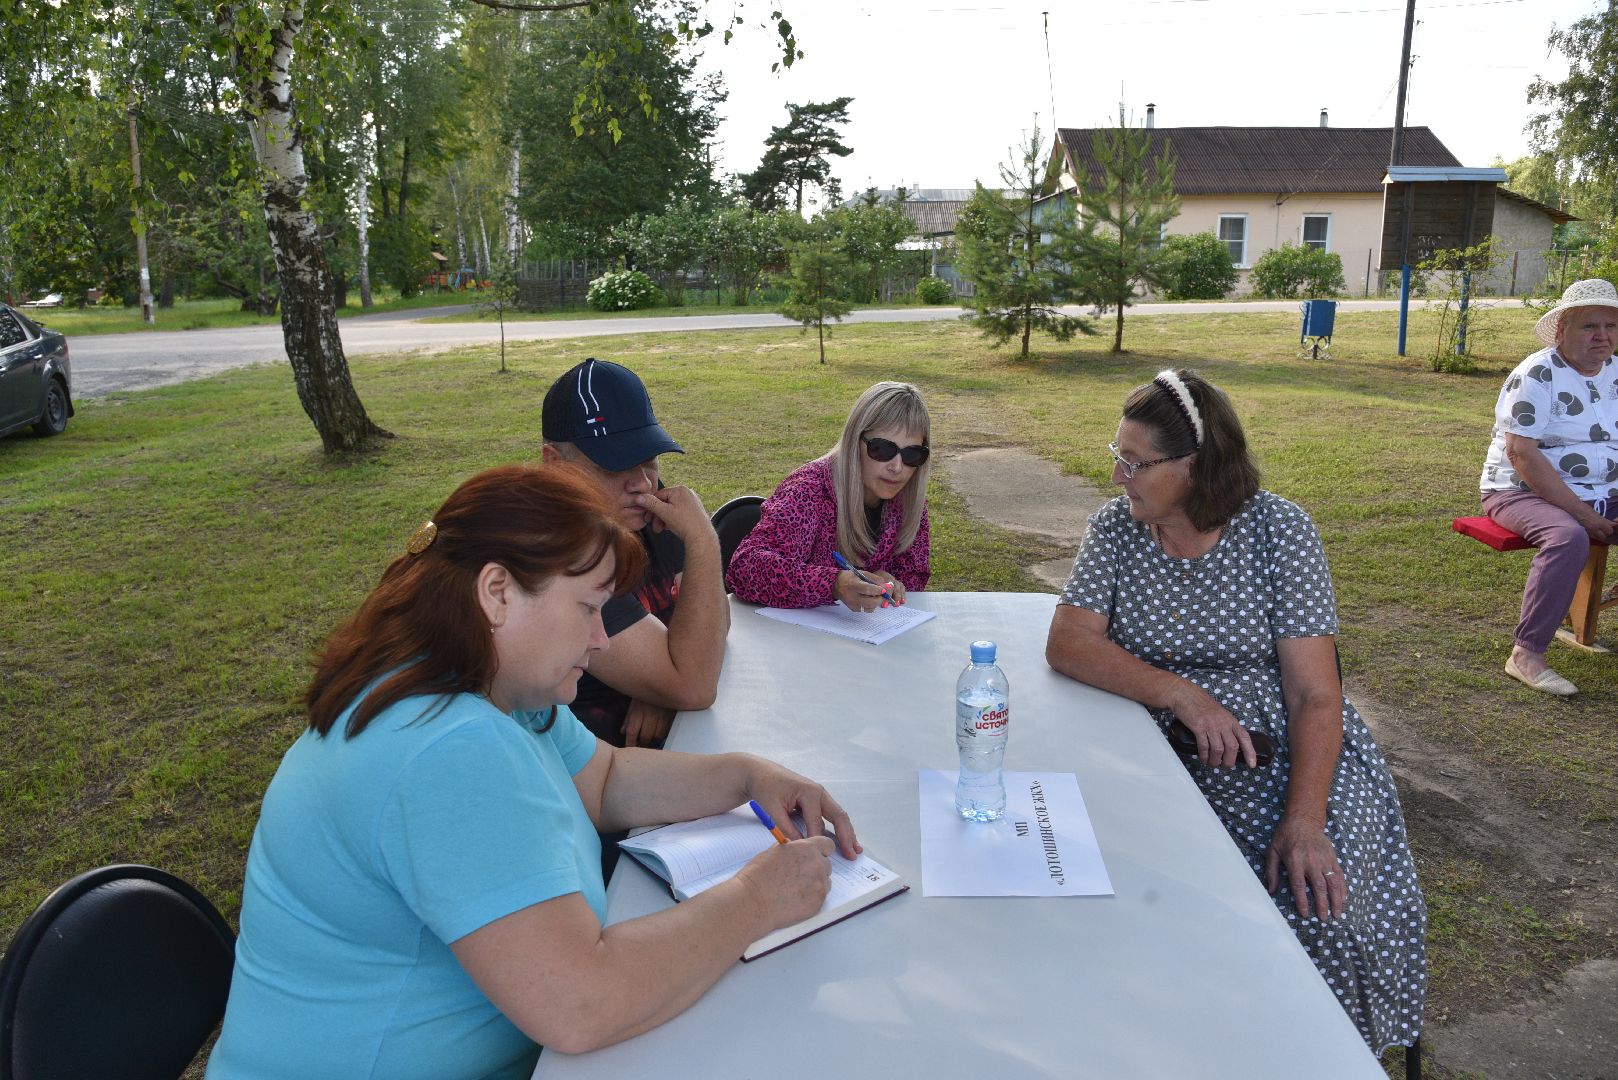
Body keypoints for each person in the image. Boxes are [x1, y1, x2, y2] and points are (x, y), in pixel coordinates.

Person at [207, 465, 859, 1079]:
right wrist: (755, 900)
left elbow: (606, 779)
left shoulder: (480, 680)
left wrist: (746, 776)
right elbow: (582, 1003)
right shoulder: (447, 750)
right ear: (497, 593)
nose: (601, 638)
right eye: (588, 608)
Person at [1044, 369, 1425, 1055]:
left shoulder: (1279, 529)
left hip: (1284, 753)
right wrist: (1180, 693)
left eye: (1134, 462)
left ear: (1194, 466)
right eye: (1118, 455)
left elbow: (1314, 694)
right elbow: (1068, 641)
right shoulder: (1118, 528)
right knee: (1133, 903)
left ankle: (1313, 1057)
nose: (1117, 475)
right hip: (1156, 750)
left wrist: (1304, 822)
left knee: (1313, 915)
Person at [540, 358, 729, 748]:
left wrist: (659, 685)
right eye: (615, 465)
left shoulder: (644, 514)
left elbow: (716, 627)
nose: (642, 484)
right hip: (587, 768)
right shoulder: (559, 555)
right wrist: (702, 541)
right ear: (554, 465)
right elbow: (694, 685)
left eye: (649, 459)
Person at [1479, 277, 1618, 696]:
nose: (1602, 336)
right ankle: (1526, 655)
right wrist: (1585, 515)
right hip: (1519, 490)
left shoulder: (1615, 370)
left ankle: (1596, 602)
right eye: (1589, 326)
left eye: (1610, 326)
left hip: (1602, 489)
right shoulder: (1537, 374)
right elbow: (1521, 454)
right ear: (1562, 329)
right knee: (1568, 537)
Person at [726, 381, 931, 610]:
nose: (897, 467)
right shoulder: (808, 491)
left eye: (912, 454)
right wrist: (835, 584)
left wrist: (889, 582)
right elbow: (744, 568)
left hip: (864, 630)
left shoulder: (908, 499)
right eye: (882, 449)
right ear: (854, 442)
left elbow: (914, 576)